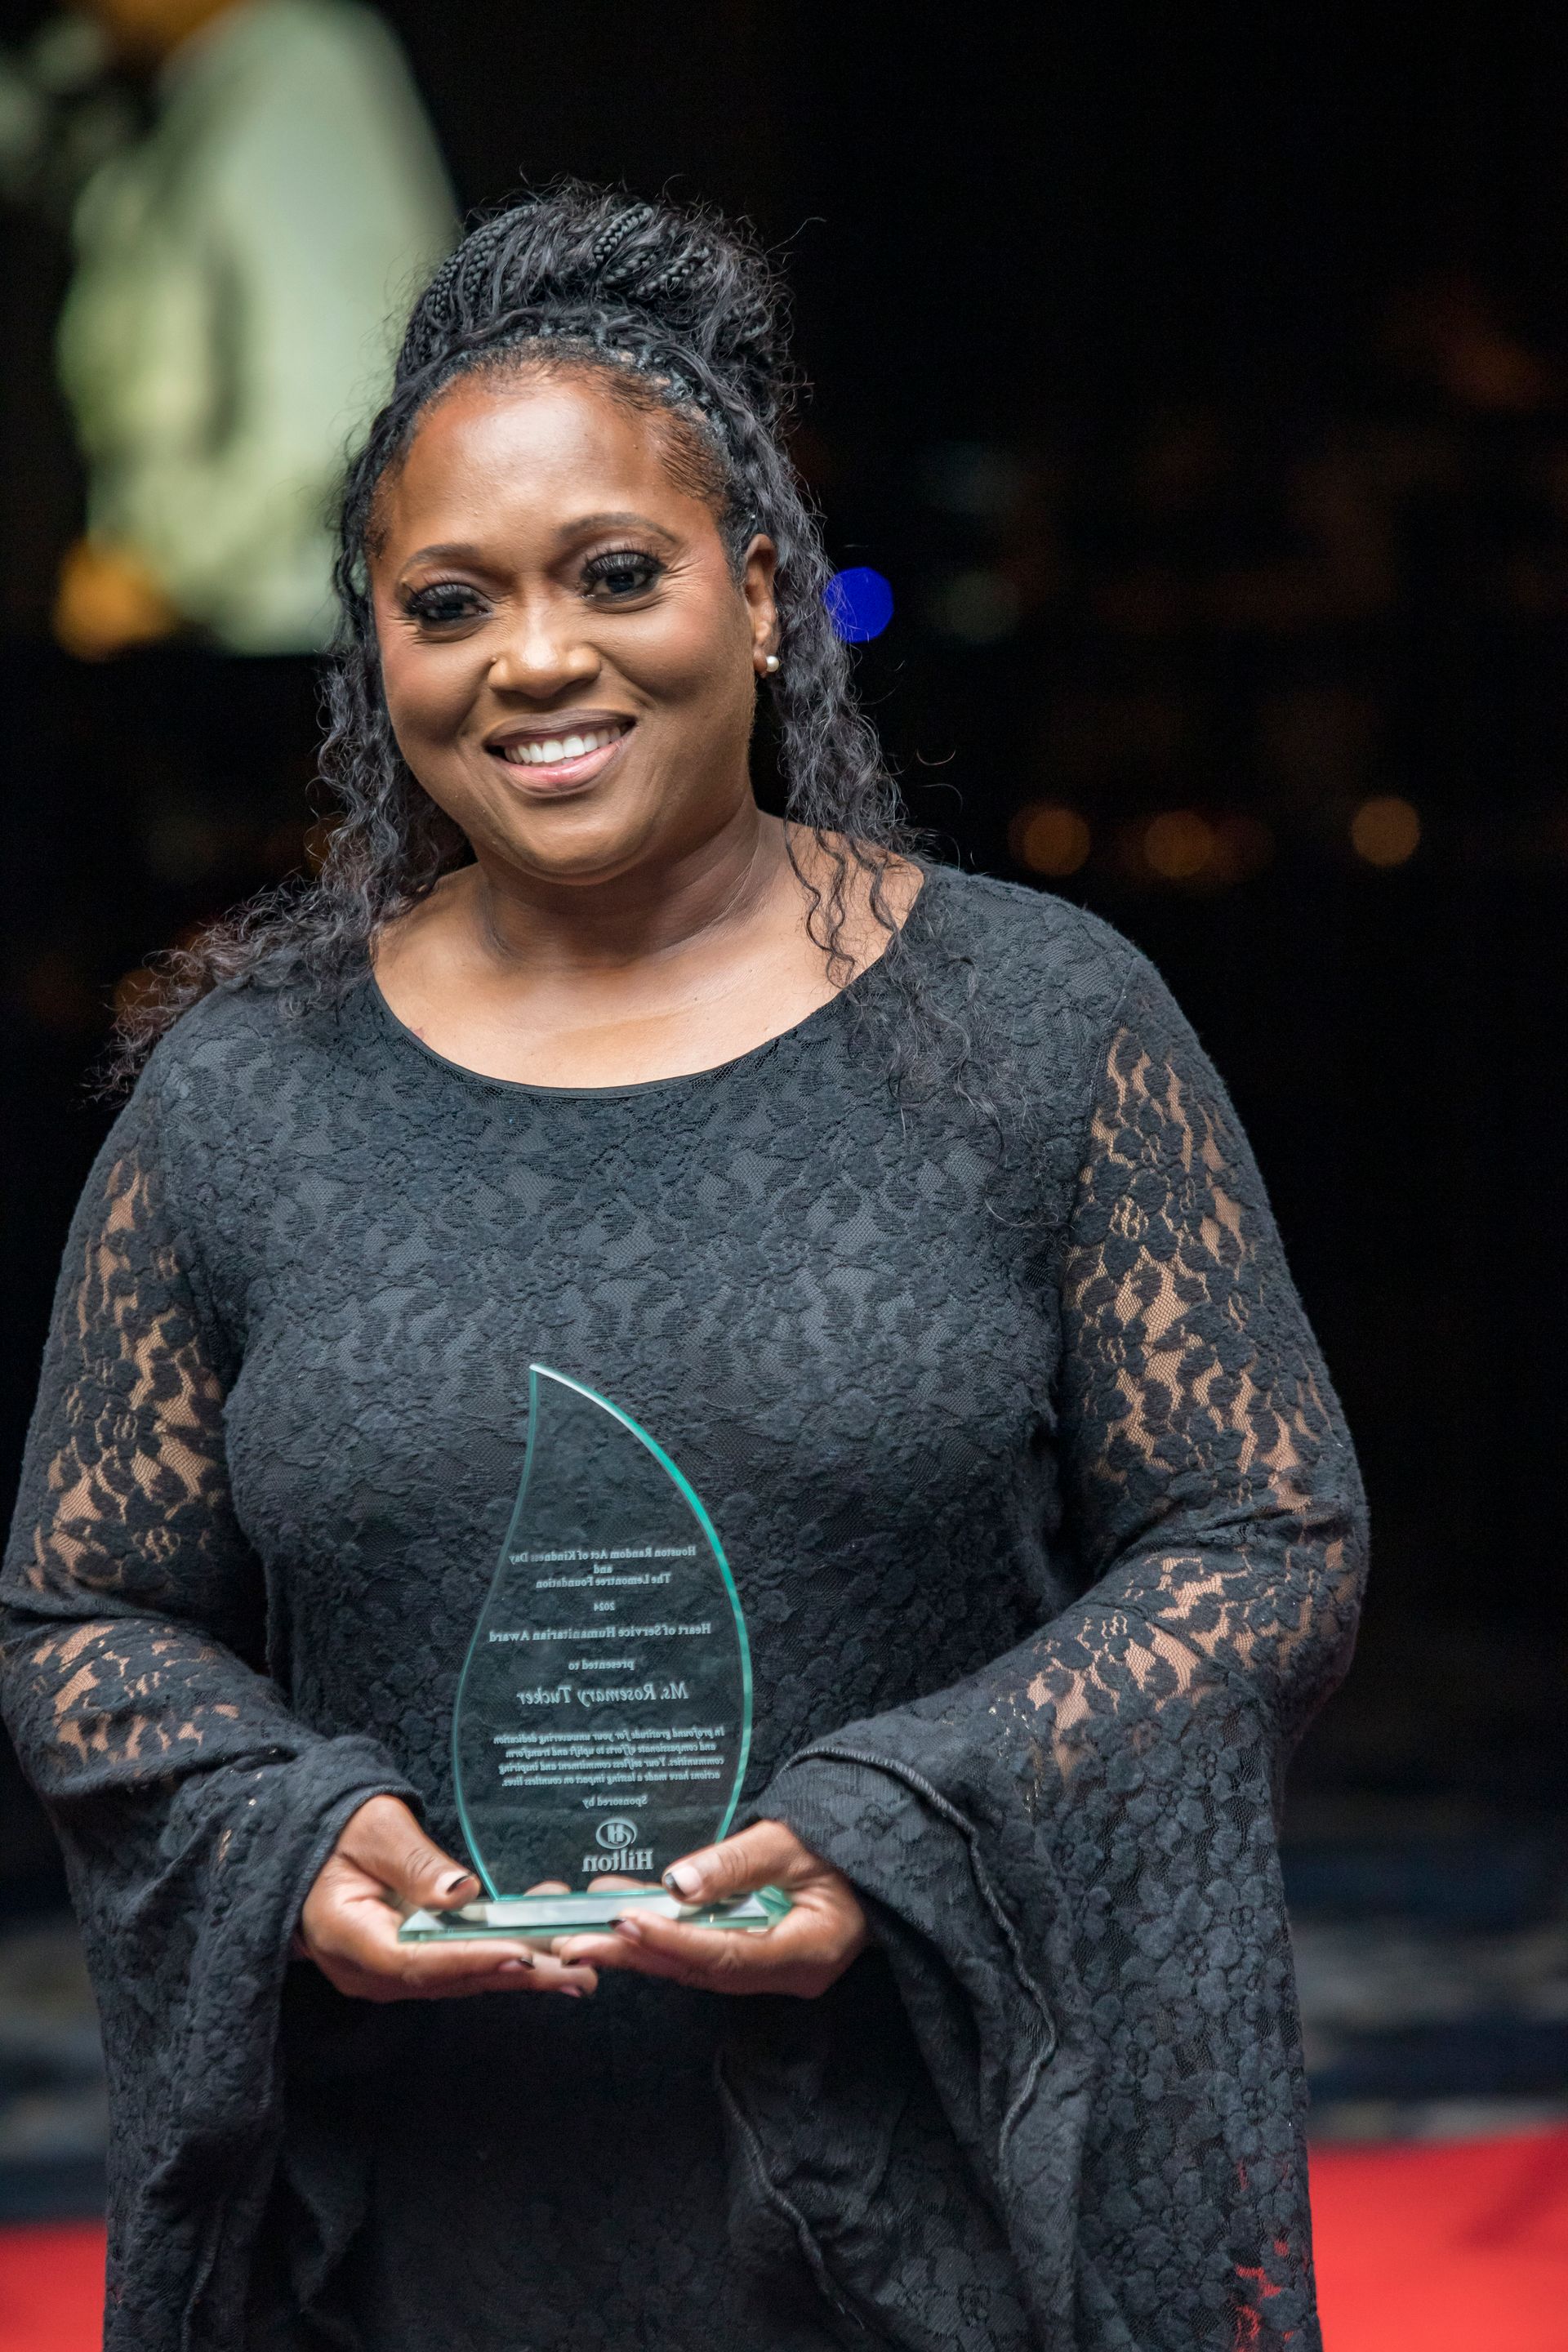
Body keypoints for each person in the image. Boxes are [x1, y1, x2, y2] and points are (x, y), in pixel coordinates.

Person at [0, 184, 1366, 2351]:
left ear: (754, 592)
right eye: (450, 603)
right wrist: (294, 1830)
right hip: (435, 2221)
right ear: (376, 645)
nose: (536, 659)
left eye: (612, 575)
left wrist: (907, 1822)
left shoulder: (1041, 1028)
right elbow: (88, 1614)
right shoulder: (242, 1099)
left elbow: (1262, 1532)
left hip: (931, 2203)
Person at [51, 0, 453, 658]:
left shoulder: (297, 72)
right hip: (209, 641)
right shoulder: (178, 97)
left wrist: (163, 570)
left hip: (301, 649)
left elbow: (344, 389)